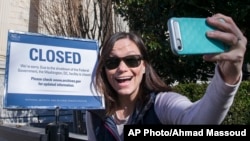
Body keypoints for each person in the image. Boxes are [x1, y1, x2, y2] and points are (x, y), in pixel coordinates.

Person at [86, 13, 247, 141]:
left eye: (131, 60)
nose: (122, 68)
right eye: (112, 62)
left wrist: (227, 76)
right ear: (104, 69)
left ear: (144, 66)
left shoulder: (161, 104)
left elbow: (198, 121)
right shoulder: (95, 114)